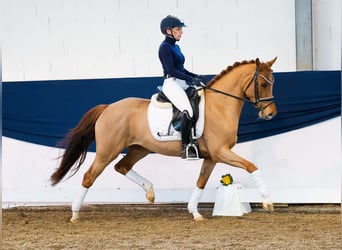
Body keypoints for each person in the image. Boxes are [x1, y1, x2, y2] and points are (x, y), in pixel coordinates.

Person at [158, 15, 206, 160]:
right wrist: (191, 79)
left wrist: (197, 76)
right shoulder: (164, 47)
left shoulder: (175, 46)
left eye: (180, 29)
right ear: (168, 31)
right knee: (188, 111)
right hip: (171, 83)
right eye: (178, 29)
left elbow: (182, 69)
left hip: (181, 81)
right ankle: (186, 146)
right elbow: (172, 70)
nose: (181, 32)